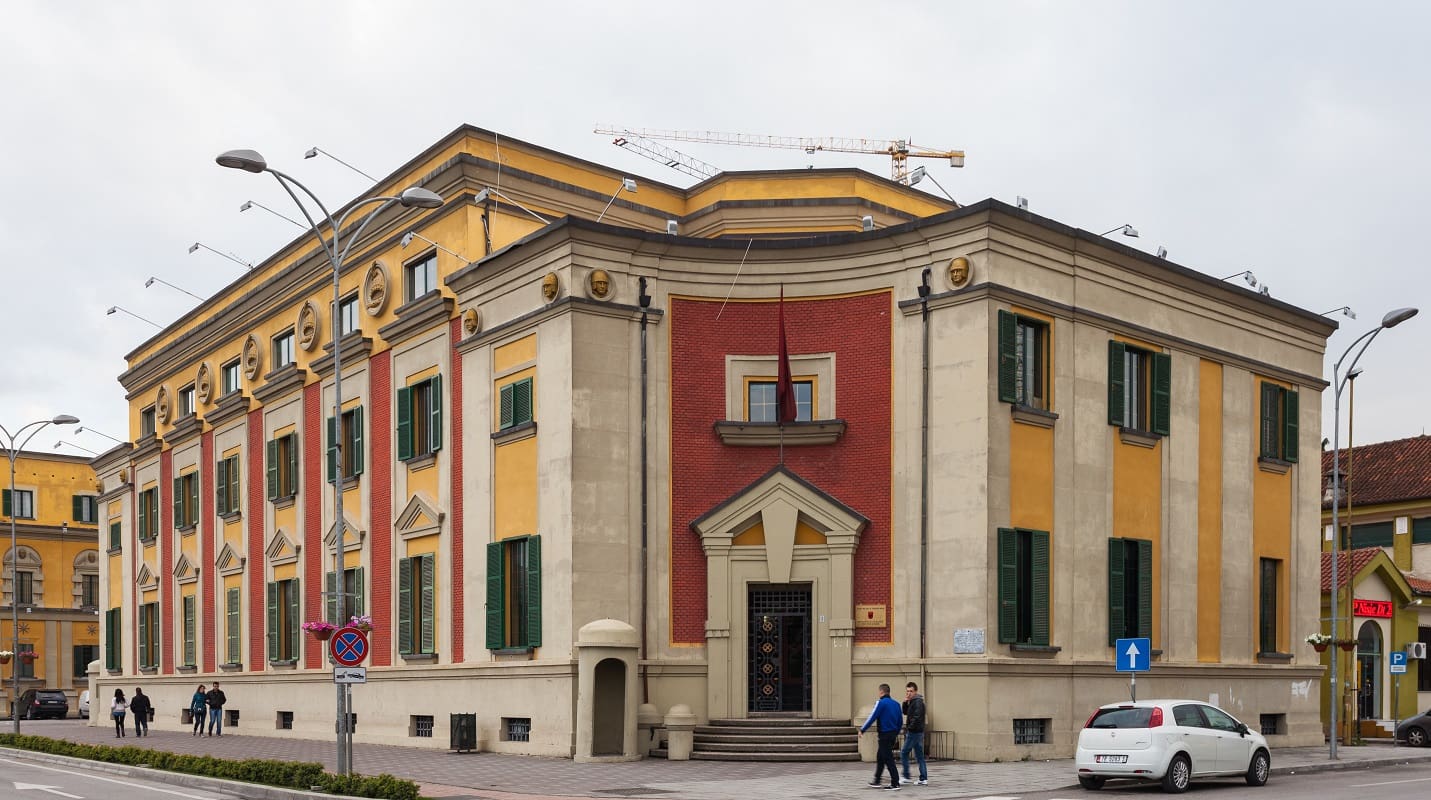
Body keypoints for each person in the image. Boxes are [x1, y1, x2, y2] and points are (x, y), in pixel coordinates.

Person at [859, 683, 903, 790]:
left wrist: (862, 729)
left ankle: (895, 782)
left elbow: (872, 717)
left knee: (888, 758)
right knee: (880, 757)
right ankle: (877, 780)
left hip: (884, 734)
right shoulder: (896, 704)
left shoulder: (880, 703)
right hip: (893, 734)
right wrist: (896, 732)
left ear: (881, 692)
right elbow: (900, 721)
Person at [900, 682, 928, 786]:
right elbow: (905, 712)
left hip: (914, 732)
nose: (909, 693)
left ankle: (906, 776)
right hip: (917, 732)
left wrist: (909, 729)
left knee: (903, 752)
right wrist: (905, 702)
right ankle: (923, 778)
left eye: (911, 691)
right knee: (919, 756)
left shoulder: (918, 702)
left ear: (915, 691)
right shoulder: (913, 701)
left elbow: (916, 718)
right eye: (907, 691)